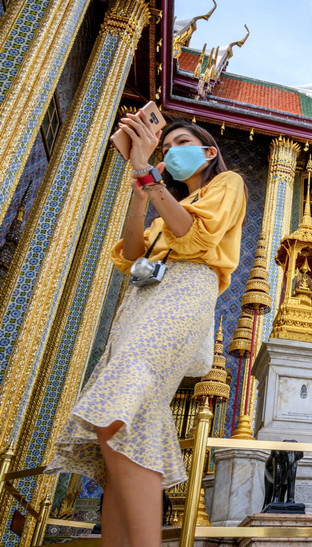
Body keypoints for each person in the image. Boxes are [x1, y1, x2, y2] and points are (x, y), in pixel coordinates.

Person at [47, 114, 246, 546]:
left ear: (208, 152)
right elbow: (132, 258)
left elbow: (193, 238)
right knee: (119, 422)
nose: (171, 151)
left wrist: (147, 174)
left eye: (181, 142)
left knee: (122, 401)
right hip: (141, 304)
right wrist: (140, 192)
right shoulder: (163, 208)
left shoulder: (227, 186)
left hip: (186, 291)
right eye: (166, 146)